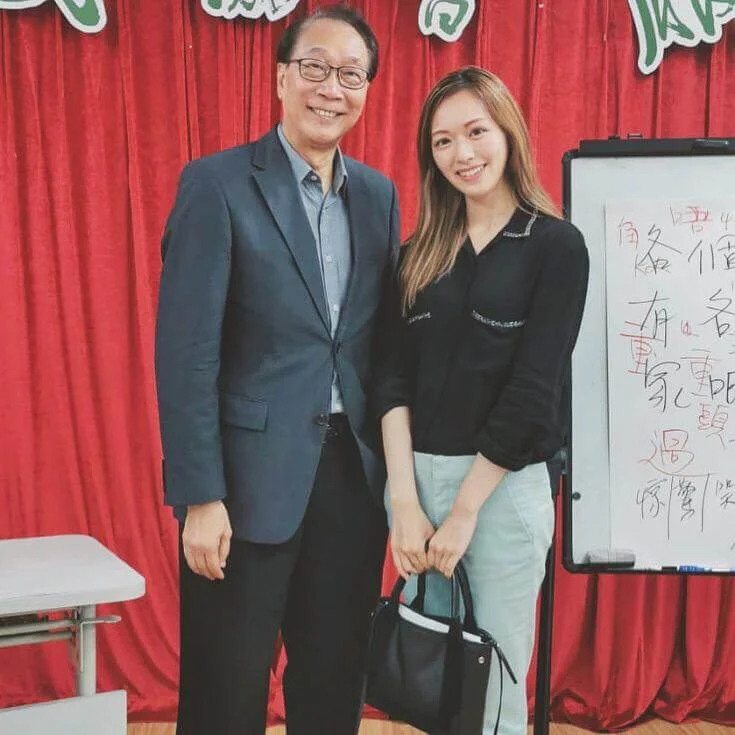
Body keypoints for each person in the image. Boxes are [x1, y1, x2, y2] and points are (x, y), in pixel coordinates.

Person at [155, 5, 400, 734]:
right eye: (315, 68)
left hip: (350, 484)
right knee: (224, 693)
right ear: (280, 79)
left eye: (350, 74)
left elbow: (380, 344)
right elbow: (186, 352)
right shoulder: (217, 184)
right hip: (243, 486)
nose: (332, 88)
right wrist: (200, 496)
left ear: (366, 89)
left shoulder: (378, 197)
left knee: (333, 684)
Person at [373, 66, 589, 735]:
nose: (461, 153)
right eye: (442, 141)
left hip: (501, 489)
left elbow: (532, 390)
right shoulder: (416, 255)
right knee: (433, 679)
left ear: (508, 133)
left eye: (475, 132)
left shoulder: (555, 246)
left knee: (492, 690)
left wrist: (464, 511)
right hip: (417, 484)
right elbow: (389, 380)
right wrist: (403, 501)